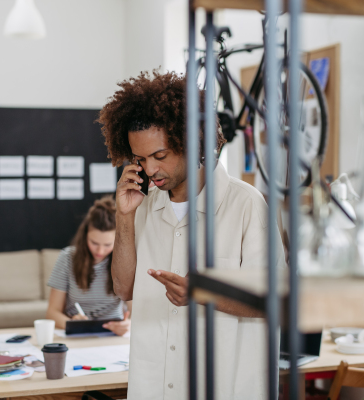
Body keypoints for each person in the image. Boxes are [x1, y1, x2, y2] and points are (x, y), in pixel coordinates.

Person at [97, 70, 285, 399]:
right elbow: (124, 288)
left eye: (160, 156)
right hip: (154, 384)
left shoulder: (246, 204)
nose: (150, 170)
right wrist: (124, 217)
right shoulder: (142, 207)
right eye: (140, 159)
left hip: (223, 385)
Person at [46, 197, 131, 336]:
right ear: (85, 235)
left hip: (112, 335)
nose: (100, 251)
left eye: (107, 245)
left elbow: (135, 312)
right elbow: (52, 312)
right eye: (94, 243)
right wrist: (72, 323)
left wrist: (128, 324)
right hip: (77, 334)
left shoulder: (125, 260)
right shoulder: (67, 257)